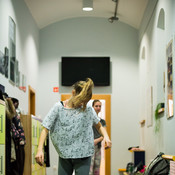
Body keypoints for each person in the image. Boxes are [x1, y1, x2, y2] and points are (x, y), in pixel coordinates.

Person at [35, 78, 112, 175]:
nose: (82, 104)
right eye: (81, 100)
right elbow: (45, 128)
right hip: (64, 155)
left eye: (85, 101)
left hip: (84, 155)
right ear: (73, 92)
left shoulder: (88, 108)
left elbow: (99, 126)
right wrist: (39, 149)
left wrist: (106, 137)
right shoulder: (59, 108)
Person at [89, 100, 107, 175]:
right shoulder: (89, 119)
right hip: (89, 147)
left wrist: (96, 140)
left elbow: (104, 134)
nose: (98, 108)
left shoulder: (102, 121)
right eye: (96, 106)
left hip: (98, 147)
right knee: (89, 168)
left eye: (100, 106)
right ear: (93, 107)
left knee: (97, 168)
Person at [11, 97, 26, 175]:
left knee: (17, 169)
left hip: (19, 144)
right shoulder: (14, 113)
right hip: (19, 144)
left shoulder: (14, 113)